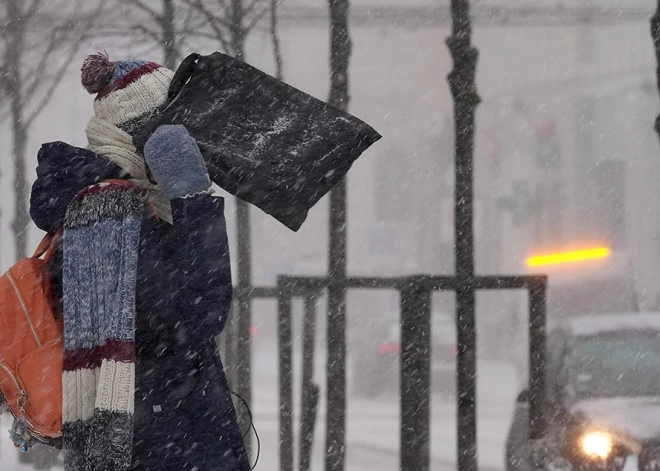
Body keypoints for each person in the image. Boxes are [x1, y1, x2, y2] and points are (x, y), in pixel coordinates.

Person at [29, 53, 250, 471]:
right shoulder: (111, 215)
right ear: (144, 135)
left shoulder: (112, 206)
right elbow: (197, 316)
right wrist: (194, 205)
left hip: (154, 433)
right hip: (159, 440)